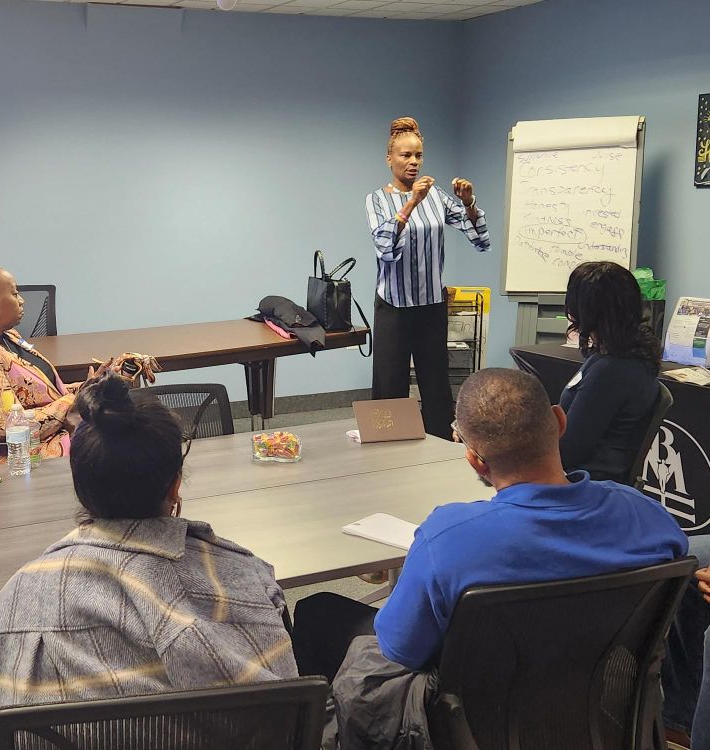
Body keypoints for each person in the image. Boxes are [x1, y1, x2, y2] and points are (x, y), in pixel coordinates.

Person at [292, 368, 687, 747]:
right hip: (598, 711)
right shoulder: (649, 519)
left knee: (317, 611)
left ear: (474, 459)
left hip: (476, 722)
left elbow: (399, 652)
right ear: (559, 421)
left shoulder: (448, 539)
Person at [0, 374, 298, 749]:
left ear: (79, 486)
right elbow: (291, 721)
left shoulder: (17, 601)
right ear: (175, 487)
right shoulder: (247, 581)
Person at [0, 248, 158, 462]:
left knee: (141, 423)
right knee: (131, 440)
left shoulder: (7, 337)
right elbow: (11, 425)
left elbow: (46, 395)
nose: (21, 301)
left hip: (56, 434)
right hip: (27, 454)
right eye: (14, 294)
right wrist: (75, 398)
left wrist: (93, 384)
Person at [365, 116, 490, 440]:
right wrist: (411, 204)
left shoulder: (435, 196)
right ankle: (384, 449)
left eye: (418, 155)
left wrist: (469, 204)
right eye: (406, 155)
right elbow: (385, 247)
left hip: (432, 304)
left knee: (435, 383)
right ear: (389, 158)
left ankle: (439, 446)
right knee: (390, 382)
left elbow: (478, 239)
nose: (413, 162)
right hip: (394, 305)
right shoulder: (377, 199)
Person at [559, 260, 663, 484]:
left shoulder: (611, 371)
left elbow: (567, 452)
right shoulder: (624, 356)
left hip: (586, 484)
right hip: (596, 480)